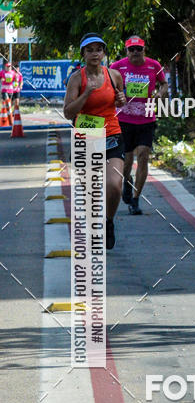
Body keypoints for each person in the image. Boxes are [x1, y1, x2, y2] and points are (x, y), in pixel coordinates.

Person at [63, 33, 126, 250]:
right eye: (89, 50)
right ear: (83, 54)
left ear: (103, 53)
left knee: (114, 185)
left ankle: (108, 222)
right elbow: (67, 112)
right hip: (86, 138)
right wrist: (85, 94)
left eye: (98, 49)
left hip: (111, 135)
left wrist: (121, 100)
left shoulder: (114, 75)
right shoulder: (76, 79)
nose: (94, 54)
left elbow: (120, 99)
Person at [110, 36, 168, 214]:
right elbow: (108, 87)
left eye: (139, 49)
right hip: (124, 121)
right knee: (126, 162)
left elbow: (164, 84)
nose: (135, 52)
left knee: (143, 155)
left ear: (144, 49)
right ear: (126, 51)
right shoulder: (117, 67)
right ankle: (127, 182)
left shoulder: (154, 66)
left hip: (147, 119)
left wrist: (159, 94)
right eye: (131, 49)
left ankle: (135, 199)